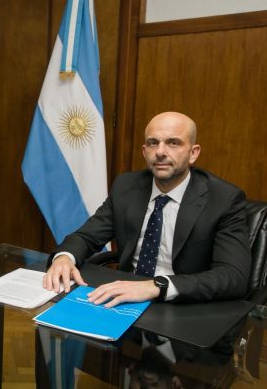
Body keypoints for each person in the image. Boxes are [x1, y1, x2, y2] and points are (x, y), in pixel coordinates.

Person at [44, 111, 252, 307]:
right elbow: (87, 236)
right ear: (145, 151)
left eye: (173, 143)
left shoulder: (224, 199)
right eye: (153, 143)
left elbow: (233, 276)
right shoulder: (127, 186)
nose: (160, 152)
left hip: (184, 306)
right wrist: (65, 257)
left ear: (193, 153)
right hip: (124, 300)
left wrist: (157, 286)